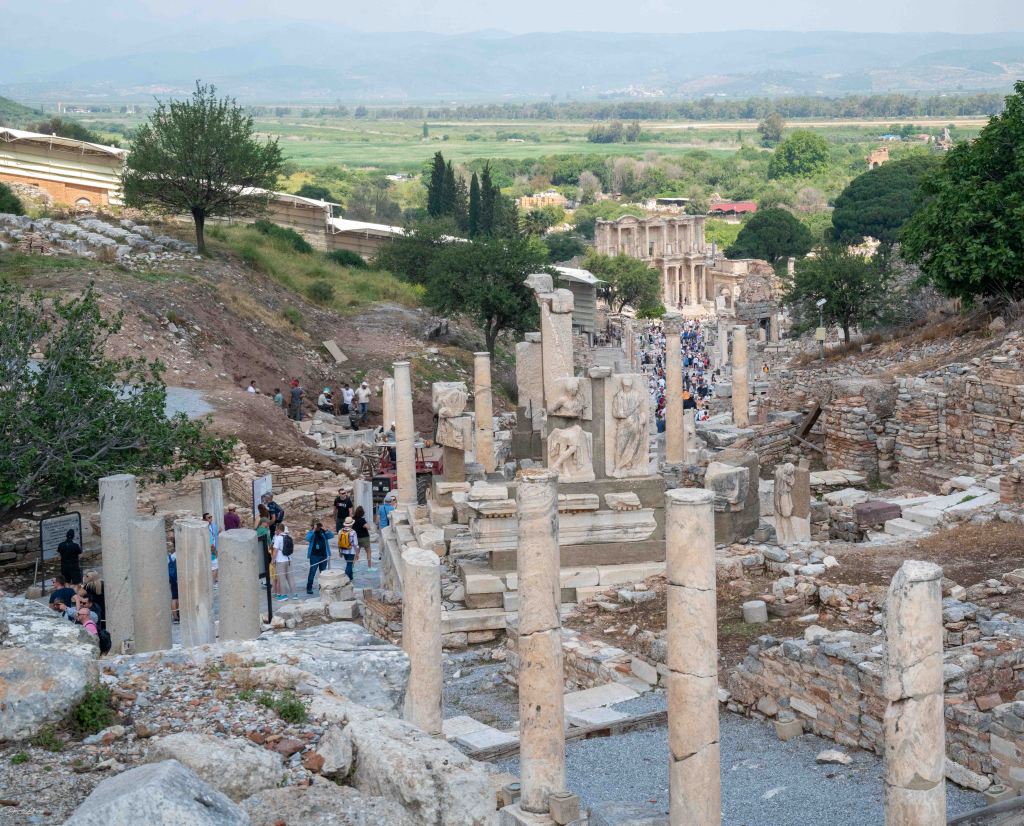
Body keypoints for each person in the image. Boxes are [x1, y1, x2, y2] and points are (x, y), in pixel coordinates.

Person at [305, 520, 334, 595]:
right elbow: (307, 538)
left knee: (323, 572)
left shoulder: (323, 532)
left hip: (323, 555)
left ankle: (322, 587)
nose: (318, 527)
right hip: (314, 556)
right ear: (313, 526)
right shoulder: (311, 532)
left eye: (319, 526)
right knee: (312, 572)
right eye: (317, 526)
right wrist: (314, 530)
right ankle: (309, 588)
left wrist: (326, 529)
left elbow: (331, 536)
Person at [272, 523, 297, 600]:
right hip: (288, 559)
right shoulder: (288, 537)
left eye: (276, 529)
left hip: (280, 561)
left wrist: (273, 560)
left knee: (281, 578)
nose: (275, 530)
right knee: (290, 578)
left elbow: (275, 550)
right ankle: (295, 594)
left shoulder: (278, 538)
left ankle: (283, 595)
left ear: (279, 529)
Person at [338, 516, 358, 581]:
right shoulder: (353, 532)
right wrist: (357, 553)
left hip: (343, 550)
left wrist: (340, 552)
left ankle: (350, 577)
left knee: (349, 563)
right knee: (349, 564)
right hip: (351, 551)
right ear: (351, 524)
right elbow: (355, 544)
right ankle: (345, 579)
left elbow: (339, 542)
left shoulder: (340, 531)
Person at [352, 505, 371, 569]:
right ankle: (369, 567)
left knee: (356, 553)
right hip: (364, 538)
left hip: (356, 538)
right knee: (368, 551)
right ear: (362, 513)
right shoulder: (362, 520)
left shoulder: (353, 519)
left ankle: (352, 567)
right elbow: (368, 527)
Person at [204, 512, 219, 584]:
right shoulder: (205, 528)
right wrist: (215, 552)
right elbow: (211, 544)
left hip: (214, 548)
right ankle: (212, 583)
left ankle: (213, 581)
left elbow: (216, 533)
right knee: (215, 567)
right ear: (205, 520)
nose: (211, 518)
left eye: (211, 517)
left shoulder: (213, 525)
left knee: (213, 567)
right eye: (209, 518)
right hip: (211, 551)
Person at [168, 548, 179, 623]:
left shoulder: (169, 556)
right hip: (177, 578)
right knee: (177, 597)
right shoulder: (177, 555)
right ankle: (178, 615)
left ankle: (175, 617)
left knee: (174, 598)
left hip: (171, 579)